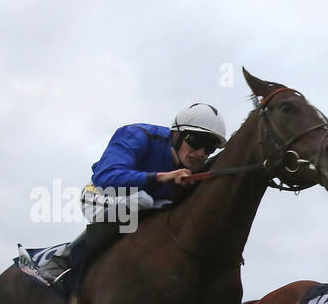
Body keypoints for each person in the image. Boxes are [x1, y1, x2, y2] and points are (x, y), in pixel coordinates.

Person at [47, 103, 227, 292]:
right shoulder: (138, 135)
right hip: (100, 195)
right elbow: (104, 177)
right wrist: (161, 177)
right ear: (176, 134)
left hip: (147, 207)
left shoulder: (197, 167)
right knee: (142, 200)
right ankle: (63, 260)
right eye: (195, 141)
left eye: (209, 148)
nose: (200, 153)